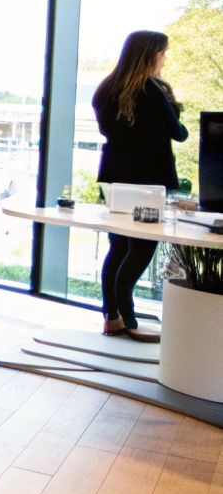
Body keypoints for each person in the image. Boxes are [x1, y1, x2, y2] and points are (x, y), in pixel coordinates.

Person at [92, 30, 186, 343]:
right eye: (163, 52)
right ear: (151, 54)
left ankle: (112, 318)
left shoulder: (107, 88)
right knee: (142, 247)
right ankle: (129, 319)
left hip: (115, 178)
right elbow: (179, 133)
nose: (165, 57)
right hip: (147, 184)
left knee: (118, 247)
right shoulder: (153, 91)